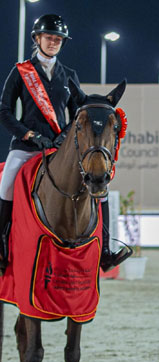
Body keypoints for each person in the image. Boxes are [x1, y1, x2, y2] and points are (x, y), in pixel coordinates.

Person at [0, 13, 128, 274]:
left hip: (59, 147)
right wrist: (28, 135)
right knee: (6, 184)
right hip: (26, 147)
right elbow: (4, 111)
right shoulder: (21, 71)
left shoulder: (68, 75)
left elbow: (77, 114)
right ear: (37, 39)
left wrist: (61, 137)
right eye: (49, 38)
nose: (53, 42)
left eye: (58, 39)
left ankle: (105, 250)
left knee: (98, 179)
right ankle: (2, 245)